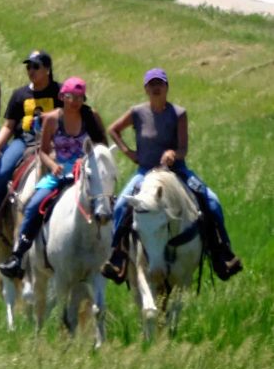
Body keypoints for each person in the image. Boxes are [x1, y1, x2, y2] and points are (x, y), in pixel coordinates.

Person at [103, 68, 242, 282]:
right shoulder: (137, 112)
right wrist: (129, 152)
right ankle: (117, 257)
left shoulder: (178, 113)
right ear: (145, 89)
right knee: (122, 205)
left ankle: (222, 253)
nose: (156, 88)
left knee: (212, 201)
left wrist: (173, 154)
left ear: (167, 87)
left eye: (160, 83)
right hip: (145, 172)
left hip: (177, 171)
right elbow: (113, 129)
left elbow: (183, 149)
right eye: (151, 84)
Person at [0, 76, 107, 278]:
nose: (75, 102)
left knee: (107, 204)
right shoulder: (52, 119)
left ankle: (115, 253)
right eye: (71, 97)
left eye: (80, 97)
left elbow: (102, 147)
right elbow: (43, 152)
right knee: (33, 205)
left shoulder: (90, 117)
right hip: (60, 172)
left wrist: (87, 161)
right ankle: (19, 254)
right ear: (62, 97)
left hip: (86, 173)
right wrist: (53, 165)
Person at [0, 50, 60, 231]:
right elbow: (9, 125)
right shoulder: (19, 94)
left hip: (54, 143)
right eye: (28, 67)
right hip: (24, 142)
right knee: (0, 174)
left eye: (35, 67)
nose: (31, 70)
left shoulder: (60, 92)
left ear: (47, 69)